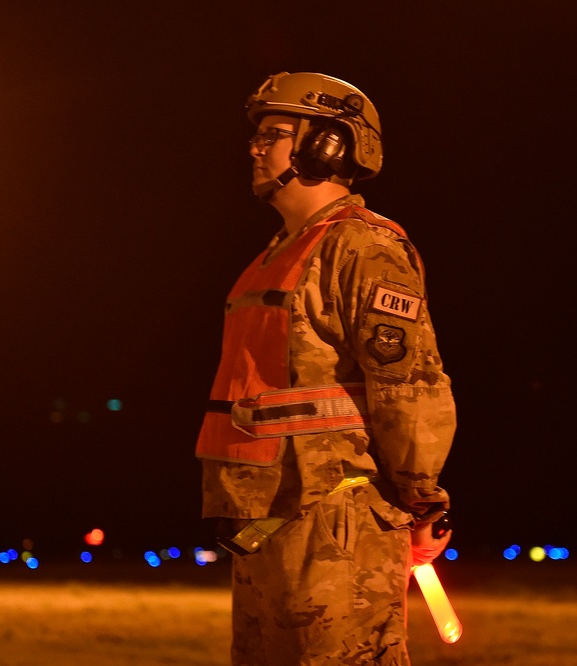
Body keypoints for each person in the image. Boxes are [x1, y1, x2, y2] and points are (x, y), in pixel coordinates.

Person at [195, 72, 456, 664]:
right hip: (267, 523)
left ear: (330, 146)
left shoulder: (364, 248)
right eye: (257, 136)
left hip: (338, 523)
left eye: (277, 133)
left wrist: (422, 501)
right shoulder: (274, 255)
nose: (257, 148)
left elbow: (408, 385)